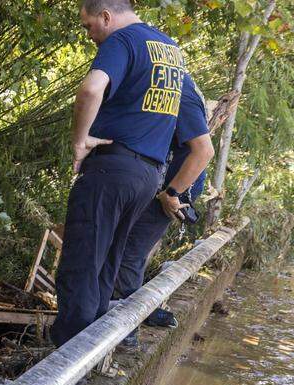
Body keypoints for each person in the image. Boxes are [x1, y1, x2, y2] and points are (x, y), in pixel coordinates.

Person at [51, 0, 200, 347]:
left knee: (82, 266)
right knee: (107, 268)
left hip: (111, 169)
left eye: (89, 26)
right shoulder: (170, 50)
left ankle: (66, 362)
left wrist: (79, 141)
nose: (90, 36)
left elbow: (90, 89)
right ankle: (94, 352)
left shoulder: (122, 41)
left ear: (106, 16)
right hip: (148, 176)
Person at [116, 82, 214, 347]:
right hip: (154, 185)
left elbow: (204, 151)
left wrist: (171, 193)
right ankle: (132, 317)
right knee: (126, 251)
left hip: (171, 191)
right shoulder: (164, 85)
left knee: (128, 254)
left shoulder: (180, 91)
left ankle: (127, 334)